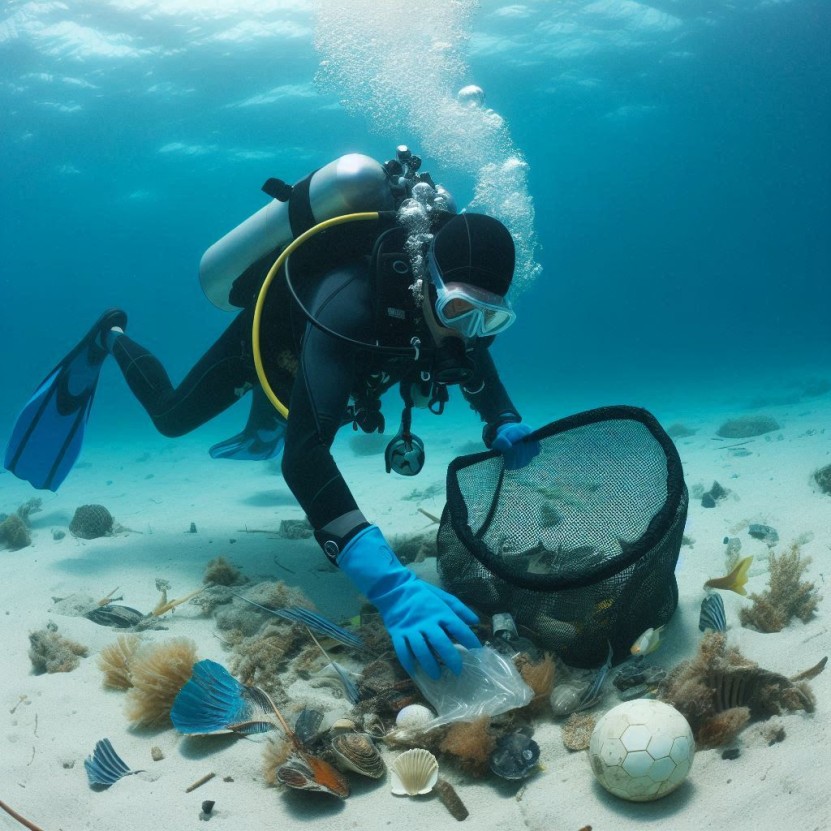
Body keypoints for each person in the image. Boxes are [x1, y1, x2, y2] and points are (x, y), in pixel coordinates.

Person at [4, 150, 539, 680]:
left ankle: (264, 420)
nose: (465, 333)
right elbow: (304, 457)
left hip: (331, 369)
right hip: (272, 347)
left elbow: (476, 363)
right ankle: (111, 337)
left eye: (489, 318)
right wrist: (389, 585)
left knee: (301, 408)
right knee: (171, 419)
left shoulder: (457, 322)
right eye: (457, 311)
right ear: (427, 280)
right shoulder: (349, 300)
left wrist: (503, 418)